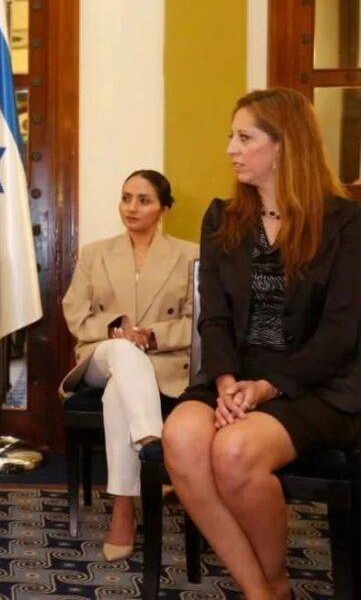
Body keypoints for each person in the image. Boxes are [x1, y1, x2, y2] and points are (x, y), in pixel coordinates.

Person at [162, 88, 361, 600]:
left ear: (284, 144)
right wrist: (227, 382)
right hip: (236, 375)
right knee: (180, 439)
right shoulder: (221, 218)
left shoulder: (346, 223)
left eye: (245, 137)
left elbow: (341, 333)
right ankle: (262, 592)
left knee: (234, 451)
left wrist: (268, 387)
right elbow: (214, 317)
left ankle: (275, 584)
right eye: (232, 136)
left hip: (315, 385)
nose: (231, 148)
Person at [61, 169, 197, 561]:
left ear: (164, 208)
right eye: (126, 198)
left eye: (144, 200)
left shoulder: (190, 255)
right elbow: (74, 310)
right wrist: (116, 331)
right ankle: (153, 445)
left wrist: (152, 336)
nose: (131, 207)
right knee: (122, 353)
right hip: (101, 356)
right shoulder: (95, 253)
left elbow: (199, 322)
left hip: (163, 363)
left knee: (120, 393)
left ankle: (123, 508)